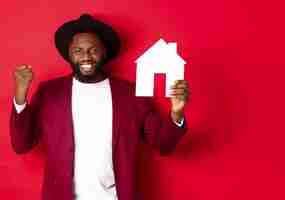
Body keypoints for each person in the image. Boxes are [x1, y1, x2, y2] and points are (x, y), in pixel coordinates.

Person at [9, 14, 189, 200]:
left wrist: (177, 112)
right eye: (78, 50)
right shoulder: (50, 92)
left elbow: (163, 145)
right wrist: (21, 95)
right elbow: (21, 144)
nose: (86, 56)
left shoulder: (129, 94)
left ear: (105, 52)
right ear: (69, 53)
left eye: (93, 50)